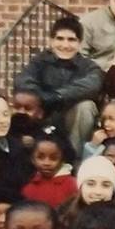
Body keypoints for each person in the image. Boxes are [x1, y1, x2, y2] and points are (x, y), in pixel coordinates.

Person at [12, 16, 104, 155]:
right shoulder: (39, 61)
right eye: (60, 39)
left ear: (79, 43)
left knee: (86, 107)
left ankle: (74, 158)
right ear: (51, 41)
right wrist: (40, 96)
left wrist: (58, 95)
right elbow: (23, 80)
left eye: (71, 40)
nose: (65, 45)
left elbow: (92, 84)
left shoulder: (89, 67)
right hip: (43, 114)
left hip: (72, 120)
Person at [20, 134, 78, 210]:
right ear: (32, 159)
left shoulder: (73, 185)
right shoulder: (28, 187)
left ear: (62, 160)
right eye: (40, 157)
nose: (46, 163)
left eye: (53, 158)